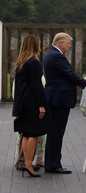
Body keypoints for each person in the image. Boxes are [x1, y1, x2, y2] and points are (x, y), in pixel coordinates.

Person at [43, 32, 86, 174]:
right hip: (58, 100)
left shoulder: (52, 54)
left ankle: (52, 163)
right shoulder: (56, 56)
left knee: (55, 132)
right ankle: (53, 165)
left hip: (56, 99)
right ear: (60, 43)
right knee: (56, 133)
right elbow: (69, 74)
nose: (69, 46)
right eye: (68, 43)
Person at [12, 34, 48, 178]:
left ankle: (26, 162)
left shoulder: (21, 62)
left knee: (26, 132)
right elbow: (37, 86)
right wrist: (41, 105)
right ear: (35, 45)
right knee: (33, 133)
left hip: (22, 100)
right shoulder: (34, 62)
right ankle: (28, 163)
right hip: (32, 101)